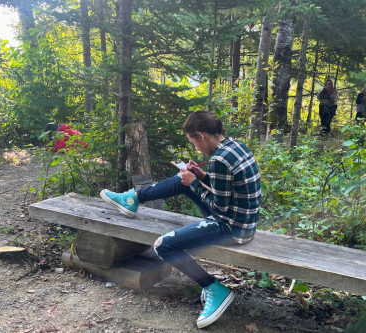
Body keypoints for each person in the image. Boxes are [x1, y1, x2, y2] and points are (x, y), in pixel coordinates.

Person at [99, 111, 262, 329]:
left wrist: (193, 183)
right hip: (241, 218)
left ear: (201, 135)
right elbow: (227, 187)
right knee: (180, 178)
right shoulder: (234, 146)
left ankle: (214, 288)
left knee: (163, 245)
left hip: (233, 227)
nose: (195, 147)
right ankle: (133, 198)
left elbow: (218, 209)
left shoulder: (219, 160)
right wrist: (201, 177)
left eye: (193, 141)